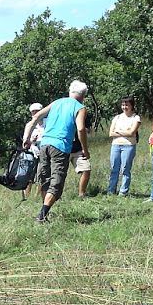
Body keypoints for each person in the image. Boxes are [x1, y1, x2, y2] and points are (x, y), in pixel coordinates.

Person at [23, 80, 90, 223]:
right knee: (57, 182)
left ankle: (44, 213)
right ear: (83, 95)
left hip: (45, 144)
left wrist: (27, 138)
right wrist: (85, 149)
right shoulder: (80, 107)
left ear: (70, 91)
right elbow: (80, 129)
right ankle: (42, 215)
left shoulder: (57, 102)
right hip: (61, 146)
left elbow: (35, 117)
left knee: (44, 178)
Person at [107, 96, 141, 196]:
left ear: (131, 106)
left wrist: (118, 131)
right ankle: (111, 190)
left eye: (127, 105)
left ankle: (123, 191)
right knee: (114, 168)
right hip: (116, 145)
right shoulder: (117, 117)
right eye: (123, 105)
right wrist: (125, 132)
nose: (124, 107)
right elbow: (111, 133)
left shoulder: (136, 118)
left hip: (129, 146)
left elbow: (132, 132)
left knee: (125, 169)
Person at [23, 102, 45, 199]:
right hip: (32, 153)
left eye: (37, 111)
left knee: (40, 175)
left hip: (44, 152)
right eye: (33, 112)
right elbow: (24, 142)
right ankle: (26, 197)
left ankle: (36, 197)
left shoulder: (48, 123)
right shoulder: (29, 125)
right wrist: (30, 141)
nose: (35, 113)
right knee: (29, 176)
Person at [69, 112, 93, 198]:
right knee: (60, 173)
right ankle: (57, 195)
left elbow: (88, 130)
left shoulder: (84, 115)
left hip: (78, 150)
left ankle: (81, 193)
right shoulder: (65, 115)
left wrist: (80, 128)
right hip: (64, 149)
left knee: (86, 169)